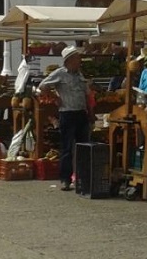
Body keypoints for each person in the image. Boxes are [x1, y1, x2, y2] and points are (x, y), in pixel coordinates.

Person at [36, 45, 90, 191]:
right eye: (77, 58)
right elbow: (42, 86)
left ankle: (82, 178)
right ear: (69, 60)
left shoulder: (80, 74)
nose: (80, 61)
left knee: (83, 147)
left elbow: (86, 92)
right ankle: (65, 179)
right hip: (67, 113)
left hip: (81, 113)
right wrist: (54, 97)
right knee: (67, 148)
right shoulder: (60, 73)